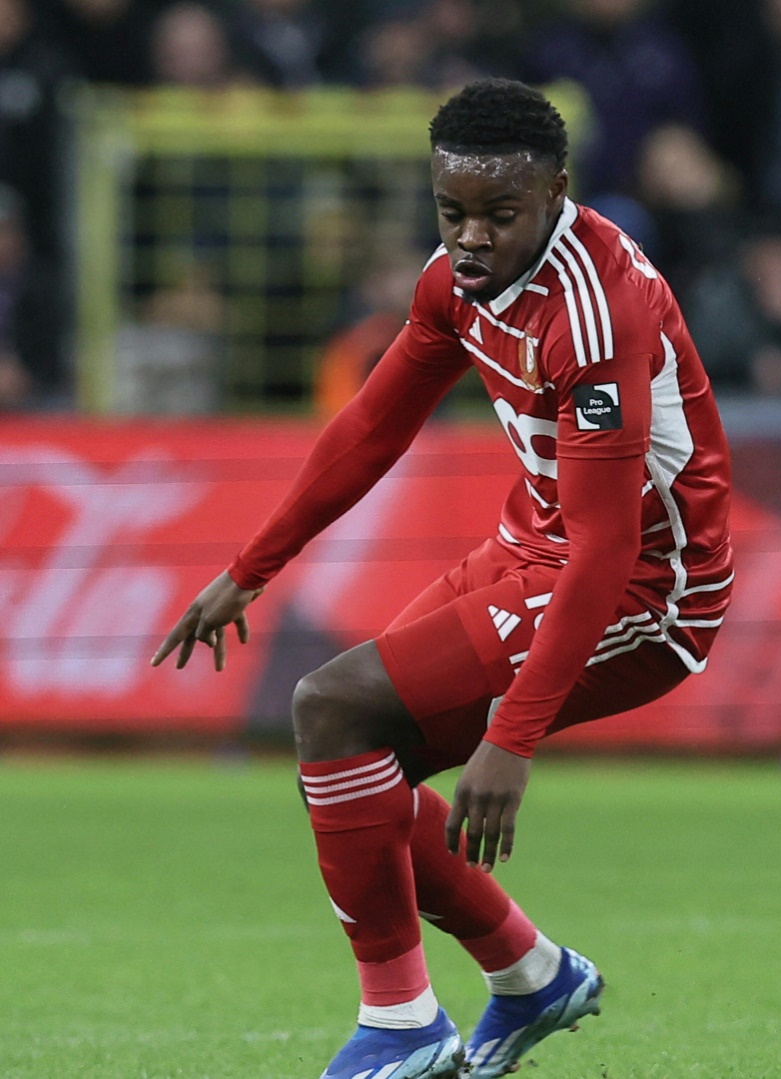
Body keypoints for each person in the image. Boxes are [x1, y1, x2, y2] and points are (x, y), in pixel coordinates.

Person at [151, 79, 733, 1079]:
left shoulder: (593, 320)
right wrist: (250, 567)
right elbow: (372, 426)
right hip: (535, 547)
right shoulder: (452, 281)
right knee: (357, 766)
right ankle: (529, 972)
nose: (471, 239)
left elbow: (603, 548)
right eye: (452, 212)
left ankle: (404, 1023)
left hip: (649, 585)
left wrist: (513, 736)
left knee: (330, 710)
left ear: (557, 192)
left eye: (499, 216)